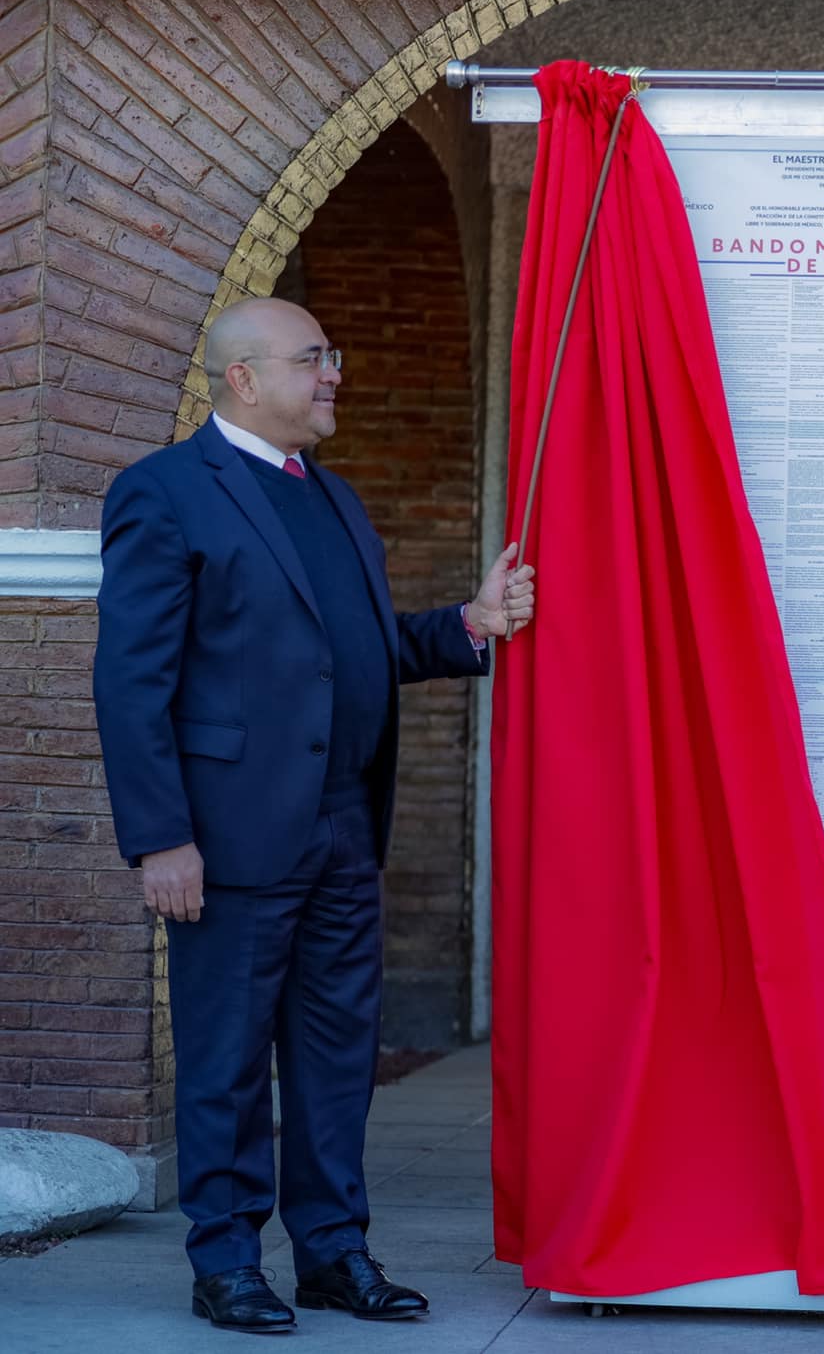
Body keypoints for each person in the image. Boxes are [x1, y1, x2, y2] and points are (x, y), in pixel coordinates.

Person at [93, 297, 535, 1333]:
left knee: (339, 1053)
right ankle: (228, 1259)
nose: (332, 374)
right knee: (229, 1056)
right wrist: (161, 835)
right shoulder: (164, 492)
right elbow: (130, 679)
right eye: (314, 359)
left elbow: (359, 647)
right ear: (244, 376)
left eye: (329, 356)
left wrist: (467, 624)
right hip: (228, 835)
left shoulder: (328, 498)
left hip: (342, 827)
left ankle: (333, 1250)